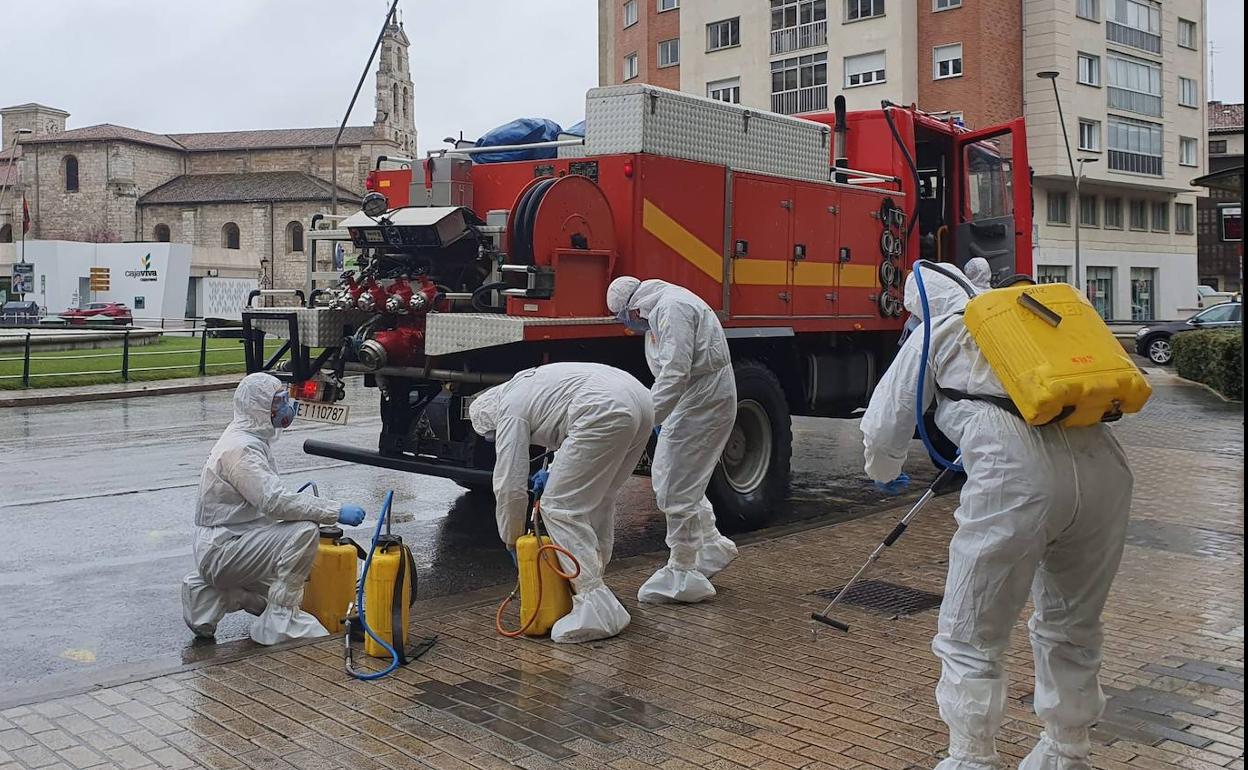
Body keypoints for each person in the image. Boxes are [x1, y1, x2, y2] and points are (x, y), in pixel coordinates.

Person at [860, 265, 1133, 770]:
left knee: (972, 630)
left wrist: (884, 468)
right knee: (1072, 623)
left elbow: (884, 425)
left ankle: (971, 759)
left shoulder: (939, 329)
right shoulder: (1035, 317)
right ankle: (1066, 751)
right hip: (1105, 467)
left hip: (1016, 475)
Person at [468, 362, 653, 643]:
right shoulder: (529, 385)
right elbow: (566, 426)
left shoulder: (507, 410)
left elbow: (509, 484)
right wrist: (553, 472)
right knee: (600, 498)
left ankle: (595, 606)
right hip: (639, 399)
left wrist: (512, 538)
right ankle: (595, 589)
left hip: (603, 408)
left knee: (560, 508)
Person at [182, 373, 367, 645]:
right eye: (277, 403)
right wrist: (334, 510)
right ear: (258, 408)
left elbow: (266, 502)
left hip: (227, 544)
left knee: (287, 591)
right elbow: (274, 502)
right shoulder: (241, 450)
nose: (286, 408)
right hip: (224, 549)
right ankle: (281, 621)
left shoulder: (247, 439)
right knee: (302, 532)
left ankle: (211, 595)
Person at [606, 277, 739, 604]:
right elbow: (671, 370)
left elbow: (675, 373)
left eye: (625, 317)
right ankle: (710, 545)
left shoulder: (671, 308)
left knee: (673, 483)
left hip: (701, 400)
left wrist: (648, 418)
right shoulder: (661, 309)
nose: (627, 325)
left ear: (633, 308)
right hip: (693, 400)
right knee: (680, 479)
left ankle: (682, 570)